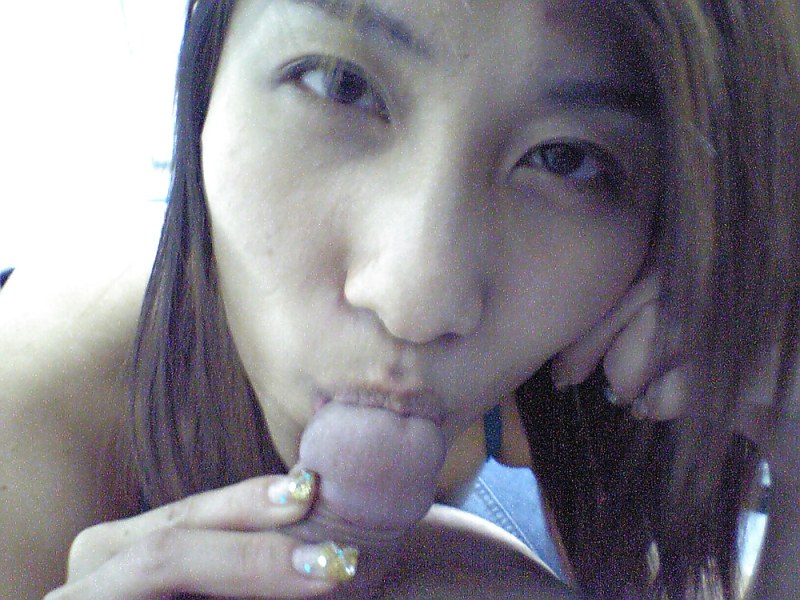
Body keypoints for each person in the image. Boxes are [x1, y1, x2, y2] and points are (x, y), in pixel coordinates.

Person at [1, 0, 798, 598]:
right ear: (203, 80)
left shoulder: (594, 365)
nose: (417, 301)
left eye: (565, 158)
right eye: (341, 84)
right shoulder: (37, 414)